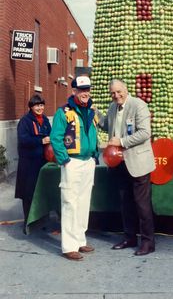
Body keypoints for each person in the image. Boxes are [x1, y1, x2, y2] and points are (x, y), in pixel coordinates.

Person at [97, 79, 156, 256]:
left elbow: (145, 133)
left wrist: (121, 141)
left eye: (119, 92)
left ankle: (148, 242)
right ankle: (130, 238)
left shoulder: (139, 105)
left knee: (142, 205)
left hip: (138, 163)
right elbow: (108, 125)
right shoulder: (112, 107)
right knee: (125, 204)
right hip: (119, 163)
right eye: (113, 93)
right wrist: (95, 113)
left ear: (126, 89)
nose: (116, 96)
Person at [50, 75, 98, 261]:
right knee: (70, 202)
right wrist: (65, 160)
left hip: (88, 161)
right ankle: (69, 246)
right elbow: (56, 137)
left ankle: (80, 240)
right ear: (74, 91)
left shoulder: (92, 111)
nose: (85, 93)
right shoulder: (64, 112)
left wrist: (94, 154)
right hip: (72, 162)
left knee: (84, 202)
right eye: (81, 90)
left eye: (87, 89)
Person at [15, 94, 51, 234]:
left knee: (42, 192)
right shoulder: (25, 121)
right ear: (31, 107)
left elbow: (52, 135)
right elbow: (23, 140)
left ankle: (42, 221)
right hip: (29, 163)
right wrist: (40, 141)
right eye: (37, 105)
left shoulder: (46, 120)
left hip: (43, 161)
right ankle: (28, 223)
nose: (40, 108)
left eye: (41, 105)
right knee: (28, 194)